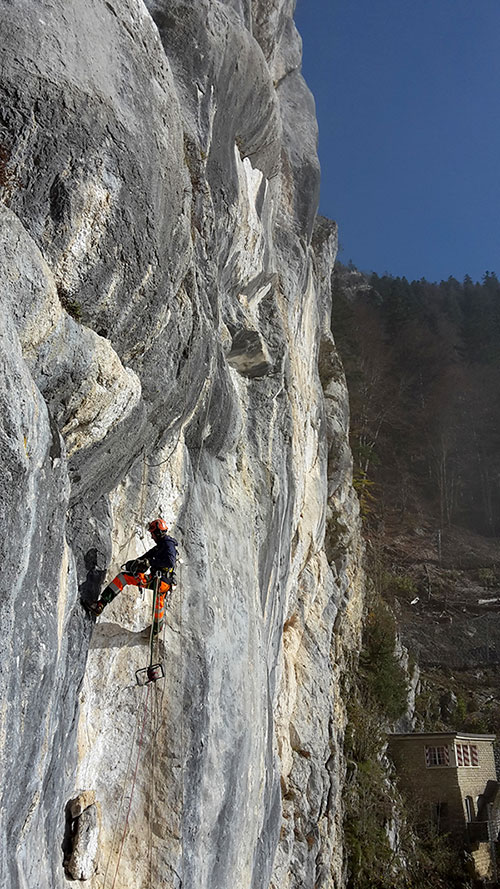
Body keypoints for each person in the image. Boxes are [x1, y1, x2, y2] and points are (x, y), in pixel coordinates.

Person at [85, 519, 178, 634]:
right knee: (158, 604)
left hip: (160, 581)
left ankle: (100, 605)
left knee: (123, 578)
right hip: (163, 583)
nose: (152, 536)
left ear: (158, 533)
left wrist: (150, 563)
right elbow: (147, 556)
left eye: (153, 534)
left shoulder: (167, 544)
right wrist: (135, 563)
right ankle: (157, 627)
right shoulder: (161, 545)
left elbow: (170, 562)